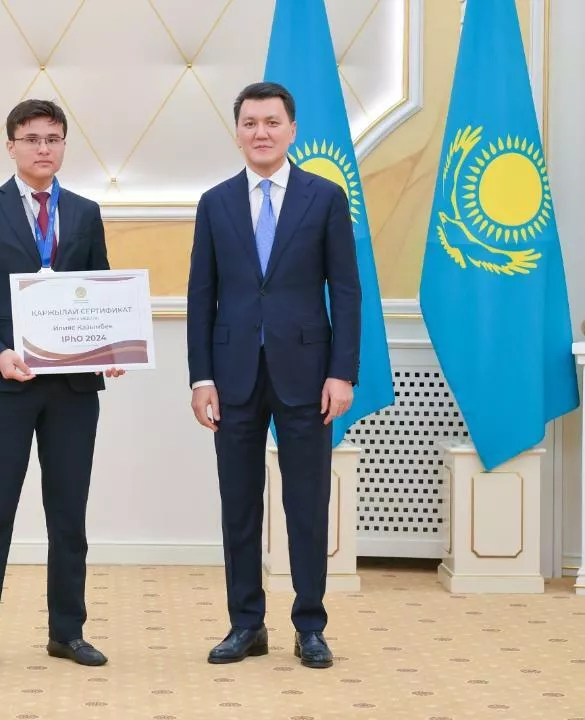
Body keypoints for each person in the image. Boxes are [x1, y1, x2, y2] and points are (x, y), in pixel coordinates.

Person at [0, 99, 123, 673]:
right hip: (4, 386)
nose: (43, 148)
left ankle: (67, 633)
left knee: (69, 516)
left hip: (73, 390)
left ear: (64, 145)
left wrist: (111, 346)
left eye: (53, 138)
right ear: (11, 146)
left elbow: (99, 289)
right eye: (32, 139)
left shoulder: (86, 212)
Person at [186, 82, 360, 669]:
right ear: (237, 132)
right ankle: (246, 625)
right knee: (238, 505)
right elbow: (201, 296)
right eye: (250, 123)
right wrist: (201, 378)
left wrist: (342, 372)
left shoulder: (325, 197)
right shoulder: (214, 202)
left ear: (292, 130)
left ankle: (310, 626)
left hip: (308, 375)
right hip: (232, 374)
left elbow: (347, 291)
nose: (260, 132)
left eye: (271, 122)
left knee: (306, 504)